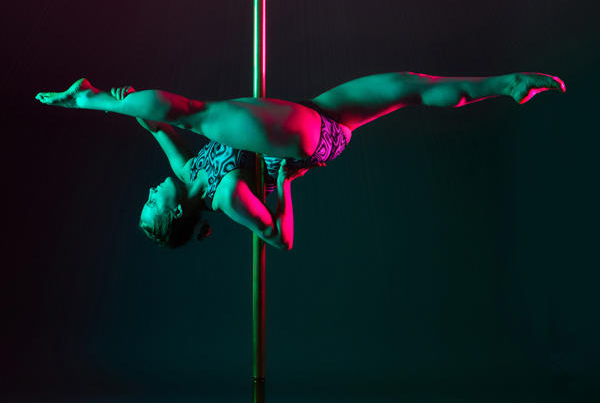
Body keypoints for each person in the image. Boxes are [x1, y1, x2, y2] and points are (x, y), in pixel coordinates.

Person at [37, 65, 562, 254]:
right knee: (195, 113)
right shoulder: (227, 197)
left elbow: (151, 124)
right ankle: (88, 98)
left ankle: (508, 85)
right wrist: (285, 182)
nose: (150, 191)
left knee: (409, 85)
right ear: (176, 213)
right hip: (302, 142)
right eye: (152, 203)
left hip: (314, 125)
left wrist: (125, 104)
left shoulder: (185, 171)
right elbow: (278, 237)